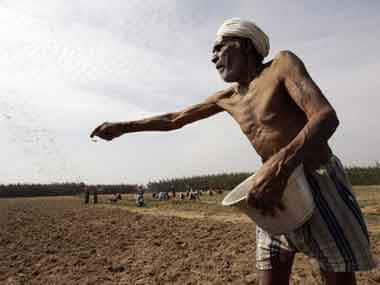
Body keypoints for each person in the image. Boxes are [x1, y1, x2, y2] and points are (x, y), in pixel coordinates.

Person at [90, 18, 375, 285]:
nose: (213, 57)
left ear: (245, 44)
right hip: (272, 190)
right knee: (270, 270)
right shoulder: (227, 98)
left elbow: (325, 117)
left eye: (218, 48)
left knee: (337, 274)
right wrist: (123, 127)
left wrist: (279, 168)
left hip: (315, 179)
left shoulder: (281, 66)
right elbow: (174, 119)